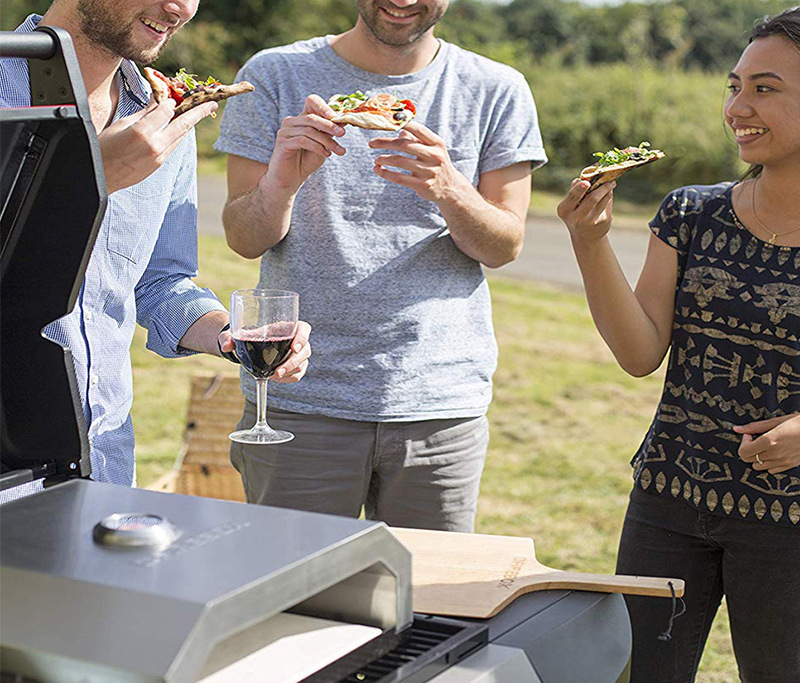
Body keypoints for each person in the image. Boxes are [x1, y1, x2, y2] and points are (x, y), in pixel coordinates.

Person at [557, 8, 800, 683]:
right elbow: (639, 352)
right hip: (668, 500)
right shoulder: (690, 213)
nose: (738, 108)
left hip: (790, 525)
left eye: (765, 88)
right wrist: (591, 243)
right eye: (735, 87)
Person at [216, 0, 547, 532]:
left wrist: (449, 189)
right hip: (302, 395)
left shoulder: (496, 87)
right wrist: (282, 181)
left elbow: (504, 245)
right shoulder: (275, 74)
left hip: (438, 405)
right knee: (297, 597)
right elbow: (243, 238)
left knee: (431, 603)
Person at [0, 0, 310, 493]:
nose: (181, 7)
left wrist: (231, 335)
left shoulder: (164, 114)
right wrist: (84, 178)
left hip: (103, 461)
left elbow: (159, 282)